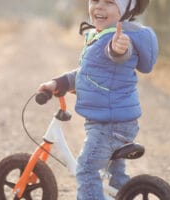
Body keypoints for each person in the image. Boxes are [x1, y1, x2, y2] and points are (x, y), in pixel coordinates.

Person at [37, 0, 157, 199]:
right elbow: (88, 73)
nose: (99, 6)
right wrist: (59, 83)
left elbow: (118, 53)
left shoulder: (117, 38)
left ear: (126, 9)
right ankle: (124, 194)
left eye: (110, 2)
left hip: (108, 126)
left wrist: (118, 48)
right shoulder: (100, 35)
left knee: (86, 170)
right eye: (95, 0)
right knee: (115, 174)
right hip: (117, 123)